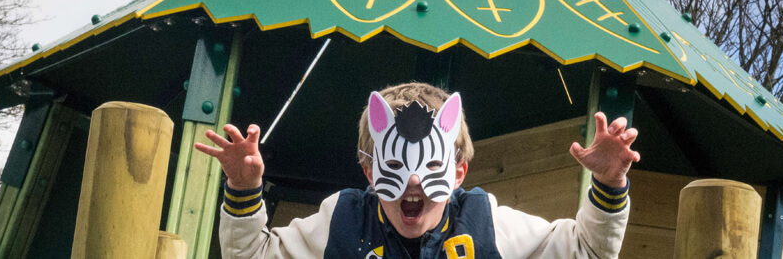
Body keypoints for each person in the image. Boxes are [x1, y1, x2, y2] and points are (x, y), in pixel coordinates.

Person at [194, 83, 640, 258]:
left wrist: (608, 183)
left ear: (459, 173)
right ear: (369, 174)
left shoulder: (489, 225)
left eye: (430, 164)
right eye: (394, 164)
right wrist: (243, 187)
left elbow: (587, 251)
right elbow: (250, 256)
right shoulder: (341, 223)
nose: (412, 180)